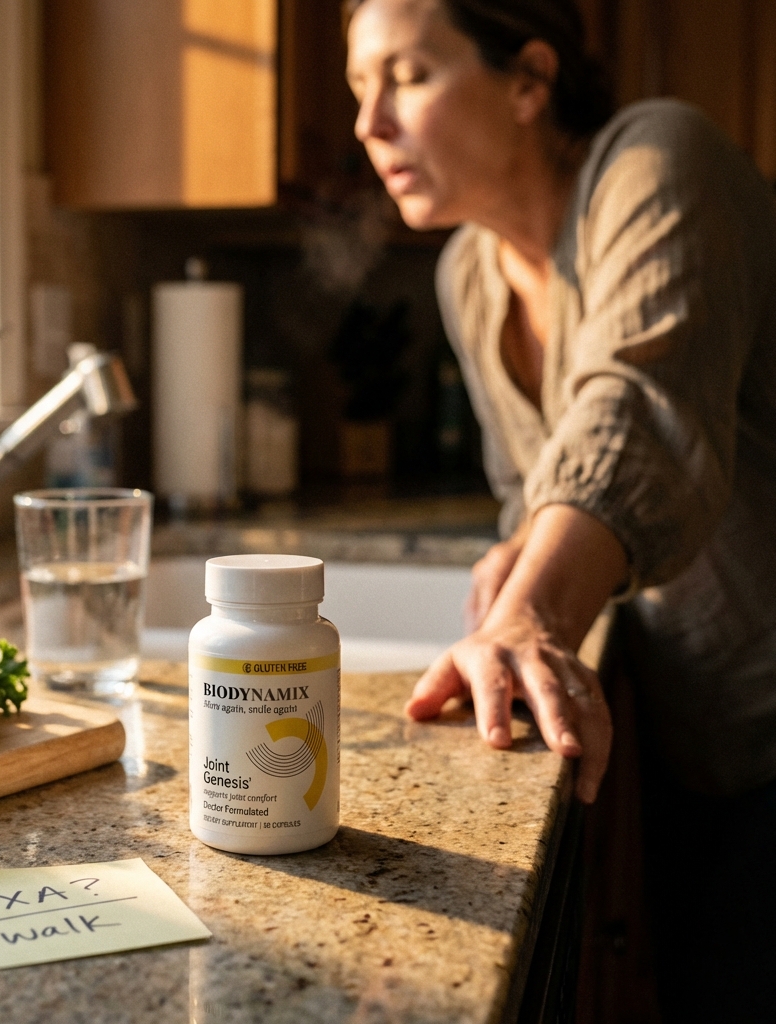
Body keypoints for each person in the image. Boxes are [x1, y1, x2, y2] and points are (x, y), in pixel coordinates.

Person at [344, 1, 776, 1021]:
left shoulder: (659, 157)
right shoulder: (469, 276)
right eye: (357, 88)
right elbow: (531, 489)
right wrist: (516, 561)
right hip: (681, 731)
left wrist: (528, 612)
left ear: (530, 79)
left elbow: (636, 412)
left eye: (405, 76)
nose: (369, 124)